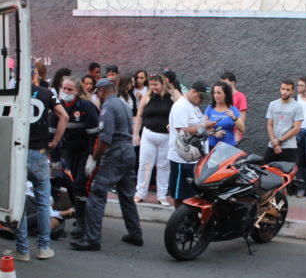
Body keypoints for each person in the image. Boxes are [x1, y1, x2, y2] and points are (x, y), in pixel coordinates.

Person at [71, 78, 143, 251]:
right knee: (126, 195)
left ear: (102, 91)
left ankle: (92, 239)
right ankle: (135, 234)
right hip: (128, 152)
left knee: (97, 194)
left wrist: (94, 159)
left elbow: (105, 140)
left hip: (115, 154)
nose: (98, 96)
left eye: (98, 93)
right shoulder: (124, 105)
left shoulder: (108, 107)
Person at [6, 80, 68, 261]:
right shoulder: (47, 93)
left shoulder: (13, 93)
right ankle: (43, 248)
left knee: (19, 203)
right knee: (42, 202)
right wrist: (55, 141)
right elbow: (64, 116)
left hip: (19, 151)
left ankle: (22, 250)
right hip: (40, 153)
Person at [55, 75, 99, 239]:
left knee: (81, 184)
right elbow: (54, 135)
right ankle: (79, 213)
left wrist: (93, 158)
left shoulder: (86, 107)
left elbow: (95, 136)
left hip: (85, 152)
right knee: (74, 185)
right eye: (64, 89)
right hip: (70, 152)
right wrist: (55, 158)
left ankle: (82, 222)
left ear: (77, 91)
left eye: (69, 89)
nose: (66, 92)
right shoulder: (58, 108)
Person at [168, 81, 216, 208]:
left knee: (191, 194)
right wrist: (204, 126)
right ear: (193, 91)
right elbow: (182, 131)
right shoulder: (181, 106)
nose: (201, 100)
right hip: (181, 158)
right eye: (201, 97)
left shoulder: (193, 106)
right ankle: (177, 223)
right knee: (180, 194)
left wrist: (206, 131)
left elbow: (195, 128)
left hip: (193, 158)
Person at [133, 74, 174, 205]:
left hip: (166, 136)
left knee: (163, 166)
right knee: (144, 165)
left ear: (163, 84)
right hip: (148, 134)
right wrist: (136, 134)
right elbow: (139, 116)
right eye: (151, 84)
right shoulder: (147, 97)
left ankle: (161, 195)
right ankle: (140, 193)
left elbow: (181, 106)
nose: (153, 87)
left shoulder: (172, 96)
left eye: (156, 84)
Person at [264, 80, 303, 164]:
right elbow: (269, 125)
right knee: (264, 172)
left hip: (289, 147)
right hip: (273, 145)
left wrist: (279, 141)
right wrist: (275, 143)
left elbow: (296, 129)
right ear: (280, 89)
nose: (284, 92)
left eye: (288, 90)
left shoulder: (297, 107)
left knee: (287, 175)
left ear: (292, 91)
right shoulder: (272, 104)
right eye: (283, 89)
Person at [204, 82, 244, 148]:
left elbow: (242, 128)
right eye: (214, 93)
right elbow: (202, 126)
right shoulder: (210, 108)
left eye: (219, 93)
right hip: (212, 146)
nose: (216, 95)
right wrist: (214, 133)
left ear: (226, 94)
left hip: (228, 147)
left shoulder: (233, 109)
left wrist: (233, 117)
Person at [220, 71, 248, 143]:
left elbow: (242, 117)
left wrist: (237, 135)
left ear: (232, 82)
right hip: (221, 134)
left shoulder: (240, 96)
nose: (223, 85)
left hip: (233, 135)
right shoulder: (222, 96)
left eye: (225, 83)